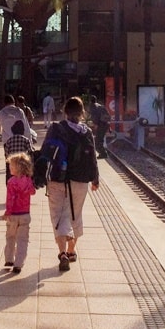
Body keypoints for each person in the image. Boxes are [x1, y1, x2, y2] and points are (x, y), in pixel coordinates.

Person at [41, 96, 100, 272]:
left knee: (58, 215)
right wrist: (95, 179)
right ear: (82, 113)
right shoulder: (86, 132)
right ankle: (72, 250)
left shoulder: (56, 128)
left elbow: (45, 152)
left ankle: (62, 253)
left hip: (57, 179)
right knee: (75, 214)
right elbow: (93, 157)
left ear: (65, 111)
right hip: (80, 181)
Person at [2, 152, 36, 275]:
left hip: (13, 215)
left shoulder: (11, 182)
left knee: (10, 237)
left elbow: (10, 199)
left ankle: (9, 259)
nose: (9, 168)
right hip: (25, 214)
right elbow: (32, 192)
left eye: (11, 166)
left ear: (18, 168)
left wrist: (7, 212)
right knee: (22, 240)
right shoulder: (28, 181)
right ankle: (18, 263)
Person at [3, 120, 34, 184]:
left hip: (12, 163)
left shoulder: (9, 140)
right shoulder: (26, 140)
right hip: (22, 163)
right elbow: (30, 152)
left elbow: (6, 153)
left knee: (11, 178)